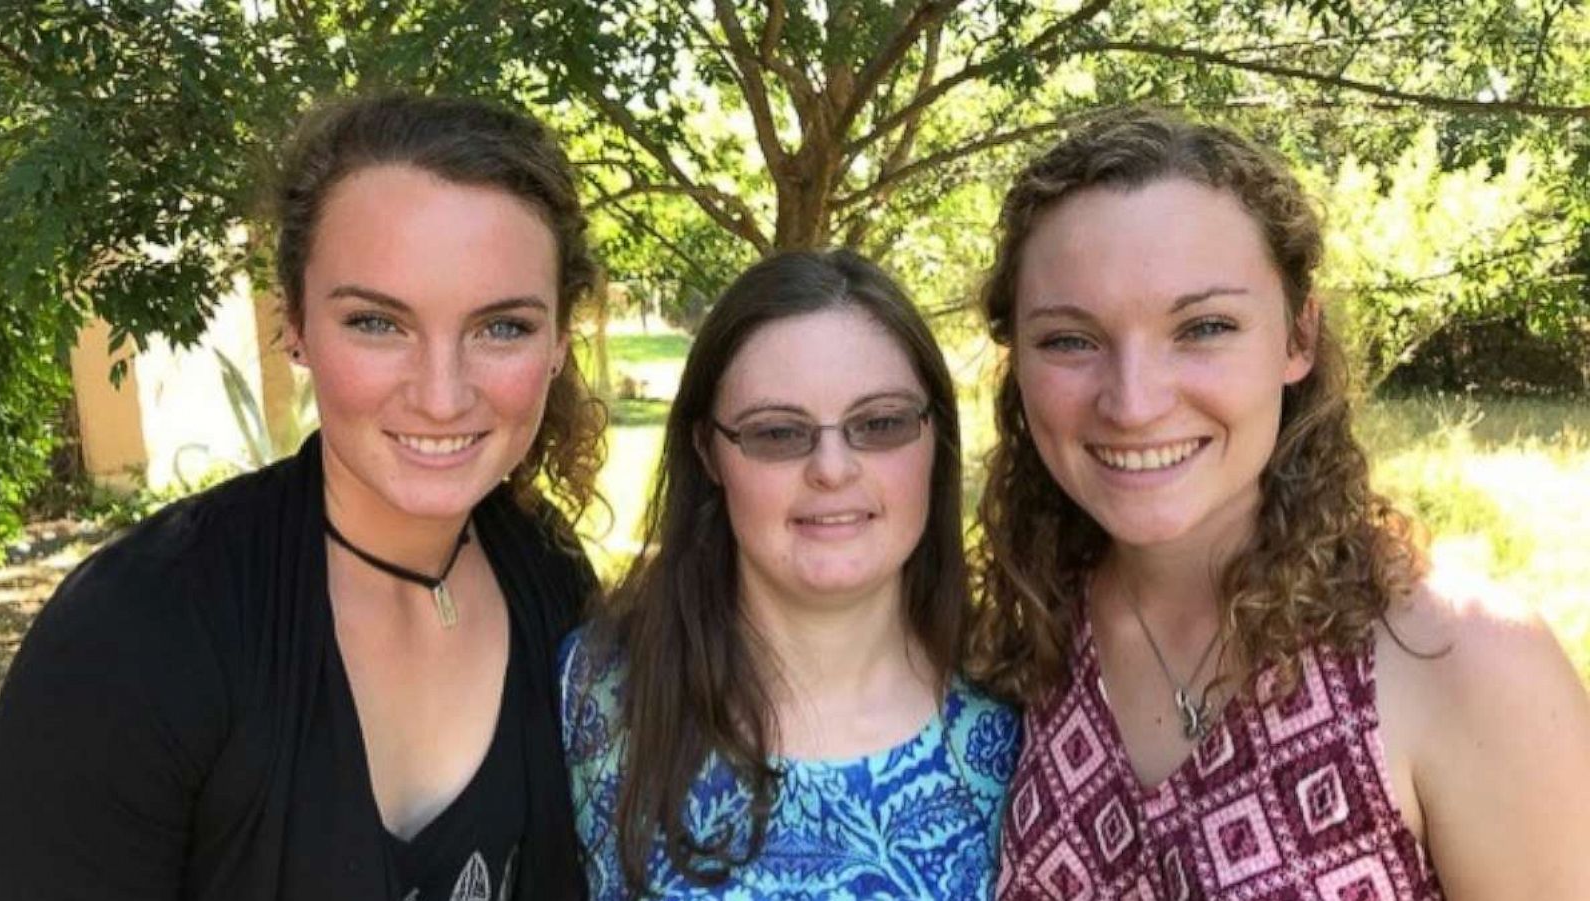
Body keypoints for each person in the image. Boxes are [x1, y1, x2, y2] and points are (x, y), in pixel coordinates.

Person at [0, 94, 605, 900]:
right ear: (296, 325)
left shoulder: (549, 575)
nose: (443, 395)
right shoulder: (138, 633)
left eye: (502, 328)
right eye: (378, 323)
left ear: (559, 340)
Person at [971, 108, 1590, 899]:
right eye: (1069, 339)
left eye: (1203, 326)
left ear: (1298, 338)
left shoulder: (1464, 661)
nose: (1133, 401)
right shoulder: (1026, 636)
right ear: (1015, 361)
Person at [560, 249, 1020, 899]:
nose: (832, 468)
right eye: (777, 432)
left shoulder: (1024, 722)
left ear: (935, 438)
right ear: (708, 452)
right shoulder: (592, 698)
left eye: (881, 423)